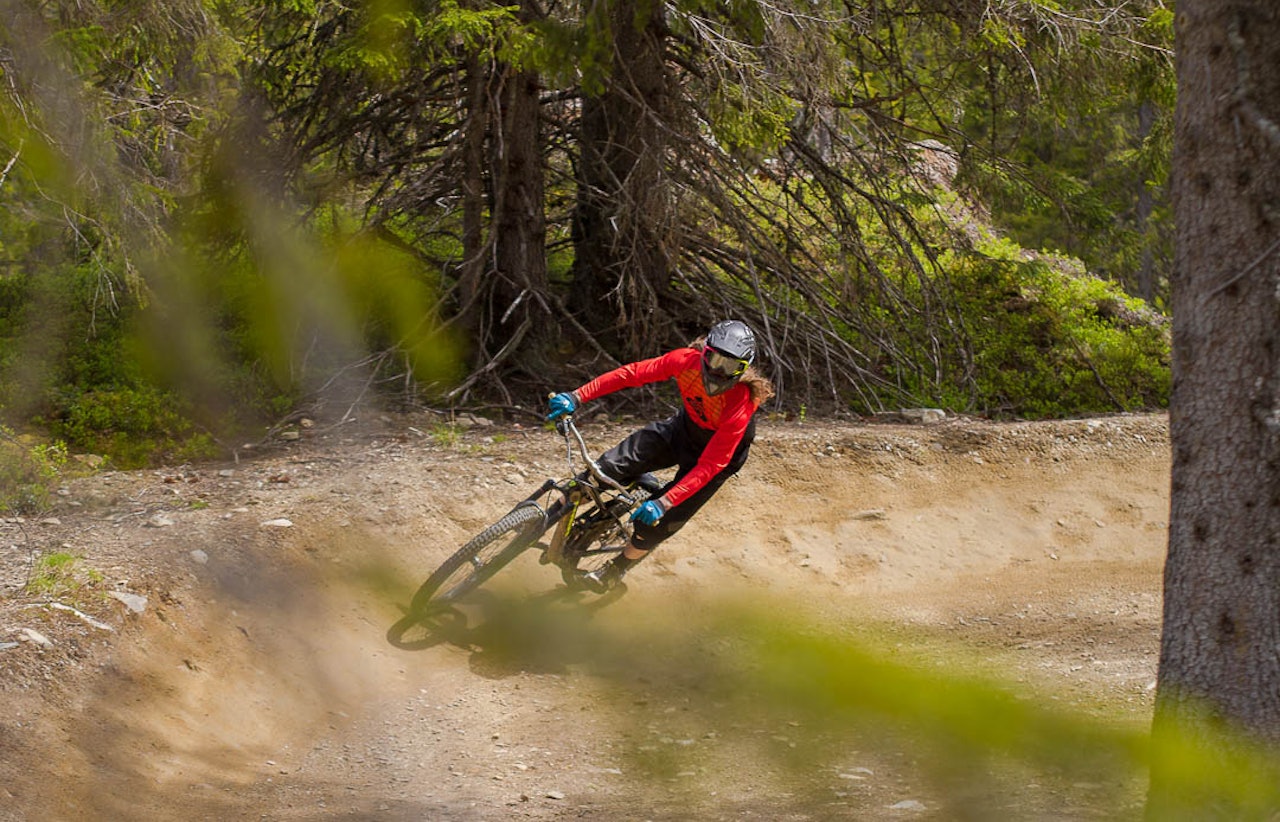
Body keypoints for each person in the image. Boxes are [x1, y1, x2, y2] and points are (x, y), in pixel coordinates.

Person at [546, 319, 775, 592]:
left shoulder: (742, 403)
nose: (718, 372)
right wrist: (577, 396)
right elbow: (632, 373)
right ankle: (540, 519)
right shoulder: (684, 361)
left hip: (715, 461)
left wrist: (665, 502)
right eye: (714, 360)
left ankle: (614, 570)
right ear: (705, 353)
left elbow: (712, 463)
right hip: (681, 430)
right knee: (604, 469)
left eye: (730, 367)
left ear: (743, 369)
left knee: (657, 524)